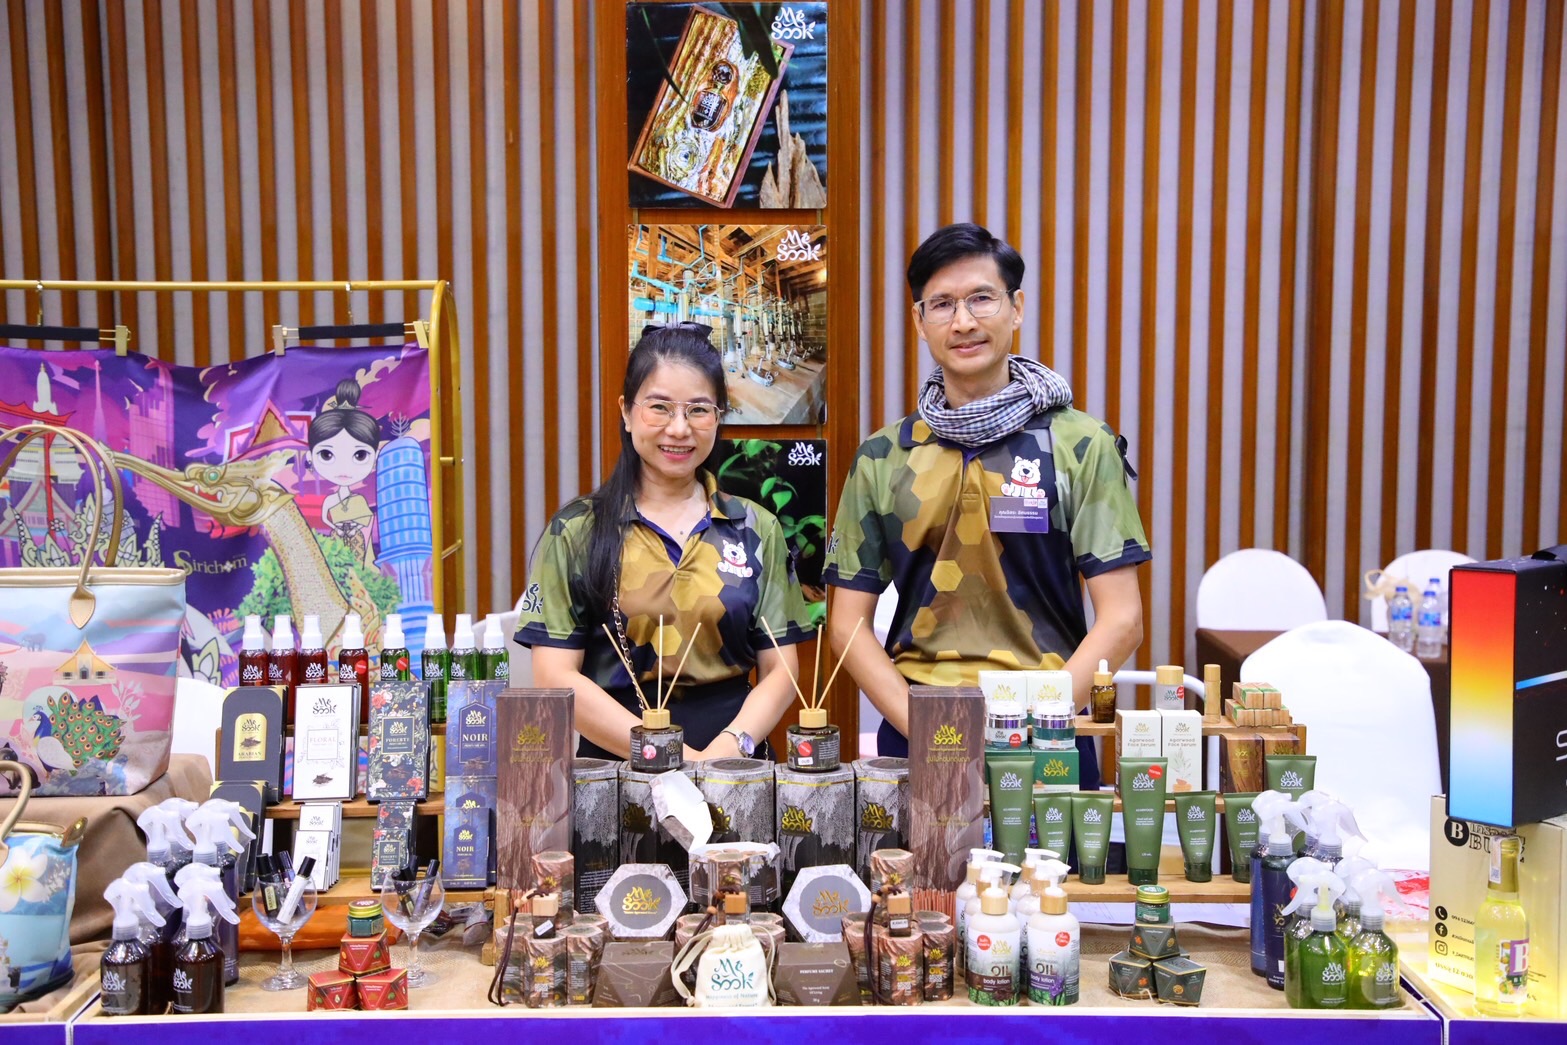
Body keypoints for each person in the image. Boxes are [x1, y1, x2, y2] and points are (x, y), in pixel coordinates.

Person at [823, 223, 1150, 787]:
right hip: (919, 728)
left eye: (981, 298)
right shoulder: (883, 456)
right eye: (942, 304)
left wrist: (1037, 720)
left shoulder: (1080, 443)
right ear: (919, 321)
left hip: (1049, 730)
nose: (964, 321)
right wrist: (923, 726)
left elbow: (1123, 620)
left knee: (1053, 855)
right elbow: (847, 626)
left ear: (1016, 308)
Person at [516, 323, 813, 761]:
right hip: (618, 773)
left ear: (719, 416)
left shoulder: (755, 526)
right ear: (626, 411)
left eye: (698, 410)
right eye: (659, 407)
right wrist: (674, 757)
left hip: (735, 770)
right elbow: (555, 676)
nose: (679, 428)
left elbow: (781, 672)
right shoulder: (578, 530)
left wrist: (726, 752)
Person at [307, 377, 382, 570]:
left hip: (357, 541)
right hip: (338, 541)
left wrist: (355, 528)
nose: (343, 468)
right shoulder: (330, 500)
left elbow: (367, 521)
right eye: (326, 454)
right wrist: (337, 529)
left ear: (375, 457)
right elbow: (325, 518)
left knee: (358, 570)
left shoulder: (359, 500)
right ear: (310, 456)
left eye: (360, 455)